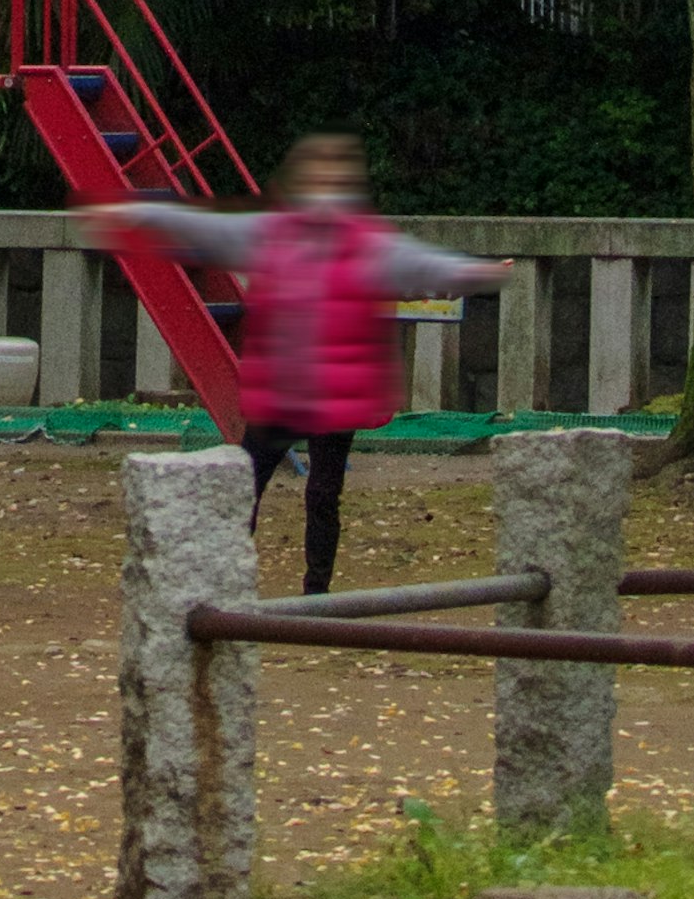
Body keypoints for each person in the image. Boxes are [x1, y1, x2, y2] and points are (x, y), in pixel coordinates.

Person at [100, 136, 504, 597]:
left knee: (321, 493)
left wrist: (475, 274)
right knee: (246, 482)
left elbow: (418, 268)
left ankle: (316, 593)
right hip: (287, 391)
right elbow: (211, 231)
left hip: (337, 393)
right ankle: (223, 584)